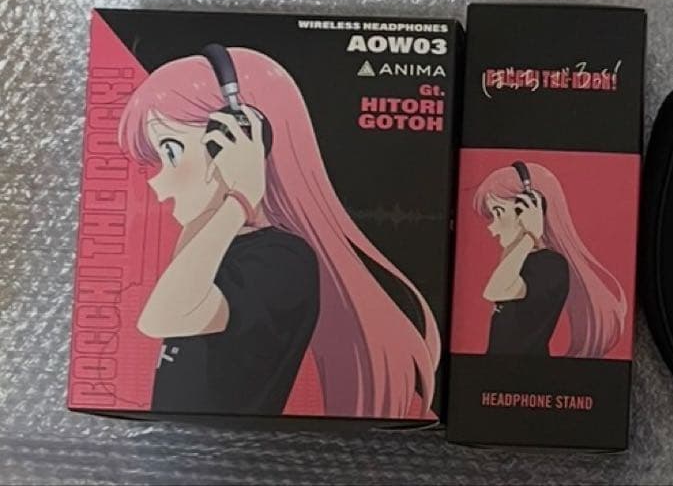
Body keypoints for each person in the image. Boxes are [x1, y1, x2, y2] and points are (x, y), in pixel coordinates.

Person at [118, 47, 438, 418]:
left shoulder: (283, 261)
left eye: (171, 153)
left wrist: (240, 197)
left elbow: (161, 317)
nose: (156, 182)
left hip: (226, 444)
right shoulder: (219, 240)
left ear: (237, 139)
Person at [473, 162, 627, 358]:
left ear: (530, 208)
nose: (491, 227)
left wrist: (530, 235)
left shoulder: (551, 265)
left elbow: (495, 290)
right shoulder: (520, 259)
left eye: (498, 212)